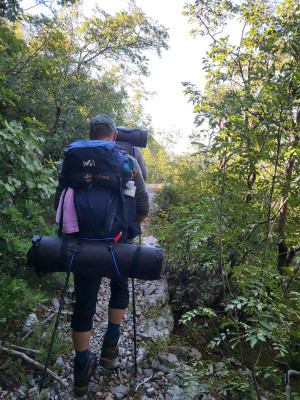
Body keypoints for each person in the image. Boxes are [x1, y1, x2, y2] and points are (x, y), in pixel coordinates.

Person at [54, 114, 150, 397]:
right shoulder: (127, 161)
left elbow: (58, 203)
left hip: (83, 243)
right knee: (119, 288)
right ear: (113, 135)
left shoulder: (72, 160)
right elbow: (143, 205)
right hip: (119, 241)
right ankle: (109, 351)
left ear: (90, 134)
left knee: (84, 303)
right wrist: (129, 229)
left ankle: (81, 374)